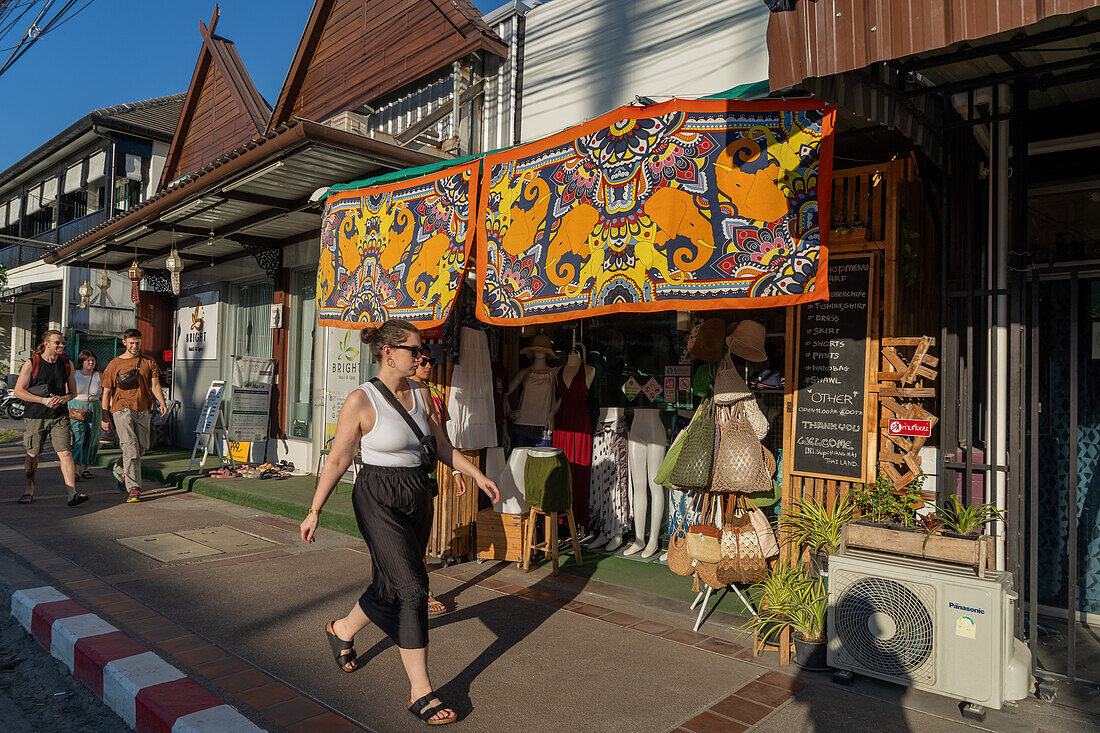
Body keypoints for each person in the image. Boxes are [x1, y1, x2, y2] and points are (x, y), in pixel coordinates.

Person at [300, 319, 499, 726]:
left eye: (421, 349)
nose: (421, 355)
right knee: (412, 587)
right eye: (414, 349)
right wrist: (315, 509)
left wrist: (475, 473)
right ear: (388, 352)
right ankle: (420, 692)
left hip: (417, 494)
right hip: (377, 495)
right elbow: (339, 458)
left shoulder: (423, 394)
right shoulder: (361, 399)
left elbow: (441, 445)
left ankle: (341, 629)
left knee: (390, 583)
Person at [13, 330, 87, 506]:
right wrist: (43, 400)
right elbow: (18, 391)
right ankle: (28, 490)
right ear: (46, 344)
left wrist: (64, 398)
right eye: (58, 343)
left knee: (65, 452)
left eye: (63, 343)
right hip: (35, 416)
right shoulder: (32, 363)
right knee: (33, 454)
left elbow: (73, 392)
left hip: (59, 416)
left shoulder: (66, 363)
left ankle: (72, 494)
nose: (62, 345)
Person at [101, 328, 168, 503]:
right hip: (121, 409)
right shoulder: (114, 364)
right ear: (124, 343)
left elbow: (155, 385)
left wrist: (162, 402)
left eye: (137, 343)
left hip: (143, 409)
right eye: (131, 343)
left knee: (143, 446)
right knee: (130, 448)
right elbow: (107, 391)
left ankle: (120, 468)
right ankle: (134, 489)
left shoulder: (149, 362)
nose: (134, 346)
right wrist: (105, 416)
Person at [409, 351, 449, 616]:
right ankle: (420, 590)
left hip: (426, 474)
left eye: (431, 362)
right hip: (397, 475)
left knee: (418, 538)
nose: (427, 366)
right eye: (423, 361)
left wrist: (457, 473)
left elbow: (441, 438)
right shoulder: (395, 391)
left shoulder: (434, 394)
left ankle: (418, 588)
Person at [70, 350, 103, 481]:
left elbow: (107, 392)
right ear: (82, 362)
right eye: (88, 360)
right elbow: (67, 390)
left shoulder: (99, 375)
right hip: (76, 407)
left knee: (92, 438)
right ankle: (75, 470)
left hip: (94, 407)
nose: (91, 363)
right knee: (78, 437)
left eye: (93, 360)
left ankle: (86, 468)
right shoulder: (74, 374)